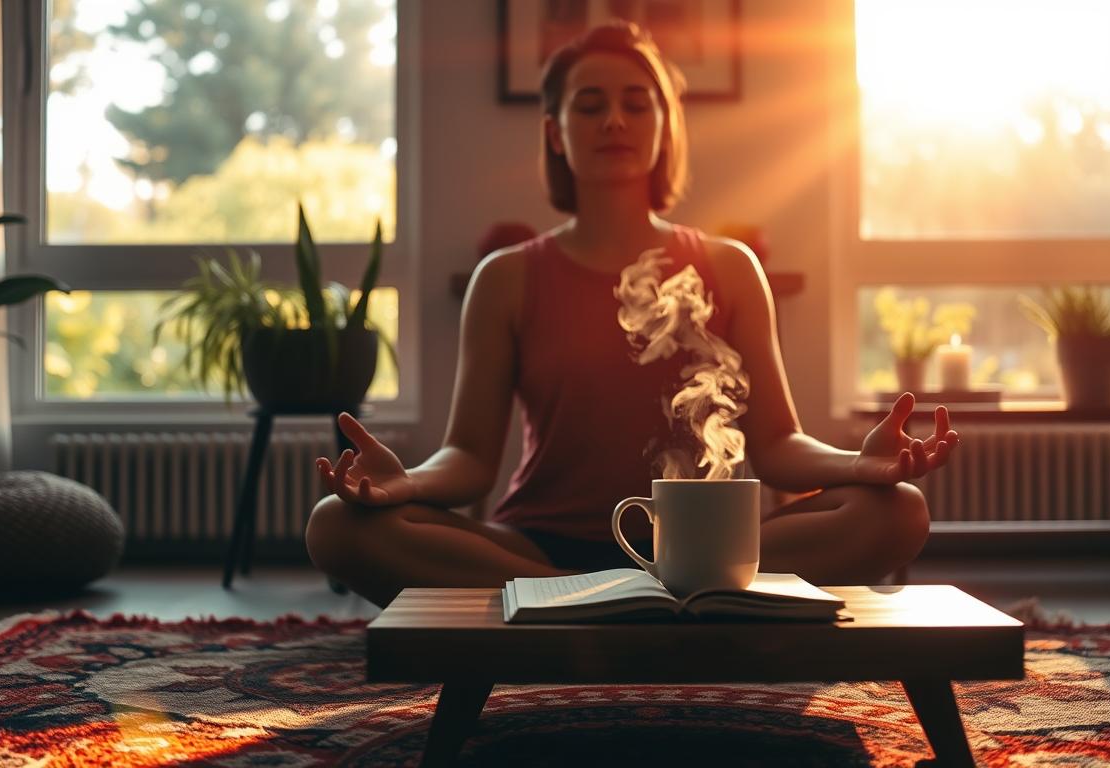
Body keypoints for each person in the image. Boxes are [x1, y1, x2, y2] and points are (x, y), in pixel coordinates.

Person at [305, 21, 959, 607]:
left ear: (664, 126)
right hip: (540, 547)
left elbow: (780, 447)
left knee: (899, 512)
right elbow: (469, 459)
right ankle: (625, 603)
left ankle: (583, 610)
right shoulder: (505, 278)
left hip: (707, 547)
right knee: (335, 526)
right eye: (590, 106)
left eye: (636, 104)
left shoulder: (730, 268)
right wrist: (406, 484)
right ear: (555, 132)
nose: (614, 121)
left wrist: (859, 465)